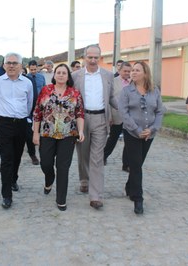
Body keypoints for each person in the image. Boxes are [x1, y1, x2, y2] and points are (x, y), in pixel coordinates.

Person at [72, 44, 118, 209]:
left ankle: (96, 196)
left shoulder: (107, 75)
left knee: (97, 158)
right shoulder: (75, 76)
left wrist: (123, 109)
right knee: (83, 153)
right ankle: (84, 180)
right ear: (84, 57)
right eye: (89, 57)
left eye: (95, 57)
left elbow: (111, 97)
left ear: (100, 57)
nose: (92, 60)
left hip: (100, 119)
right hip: (81, 120)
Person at [33, 63, 85, 211]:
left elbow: (80, 113)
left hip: (68, 135)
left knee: (63, 167)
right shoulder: (45, 90)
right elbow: (37, 113)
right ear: (54, 75)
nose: (61, 75)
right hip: (47, 133)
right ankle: (49, 178)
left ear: (68, 76)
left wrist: (80, 131)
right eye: (58, 72)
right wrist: (35, 133)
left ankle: (61, 198)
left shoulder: (74, 93)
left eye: (64, 73)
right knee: (46, 163)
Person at [0, 52, 34, 209]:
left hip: (21, 123)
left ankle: (13, 179)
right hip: (4, 124)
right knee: (6, 159)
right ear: (4, 65)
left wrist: (24, 118)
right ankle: (6, 195)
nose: (12, 65)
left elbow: (29, 104)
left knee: (18, 155)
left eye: (15, 63)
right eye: (9, 63)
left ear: (21, 66)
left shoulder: (27, 83)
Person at [118, 61, 164, 214]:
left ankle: (130, 186)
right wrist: (137, 130)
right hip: (132, 133)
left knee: (139, 163)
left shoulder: (154, 90)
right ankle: (138, 199)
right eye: (132, 70)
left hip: (149, 134)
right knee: (136, 165)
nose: (133, 72)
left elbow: (159, 111)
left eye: (137, 70)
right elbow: (123, 113)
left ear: (145, 73)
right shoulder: (126, 91)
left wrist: (152, 129)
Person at [104, 61, 131, 169]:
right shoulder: (113, 82)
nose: (127, 73)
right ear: (119, 71)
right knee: (113, 139)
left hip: (130, 117)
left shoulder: (133, 82)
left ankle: (126, 164)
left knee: (129, 141)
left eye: (129, 71)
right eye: (125, 71)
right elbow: (108, 100)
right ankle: (104, 156)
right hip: (116, 116)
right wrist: (109, 116)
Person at [26, 60, 46, 165]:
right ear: (28, 68)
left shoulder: (41, 77)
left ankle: (43, 152)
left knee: (41, 129)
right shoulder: (26, 78)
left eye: (35, 69)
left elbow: (44, 90)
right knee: (30, 131)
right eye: (31, 69)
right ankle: (32, 154)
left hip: (40, 105)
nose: (33, 71)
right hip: (30, 107)